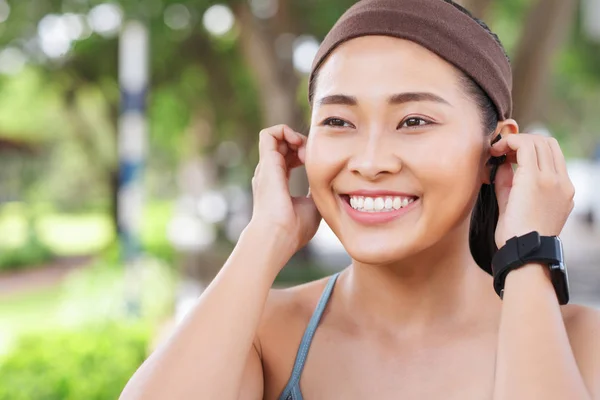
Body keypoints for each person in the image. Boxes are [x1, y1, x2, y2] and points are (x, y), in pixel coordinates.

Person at [120, 0, 600, 399]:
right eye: (338, 122)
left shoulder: (580, 342)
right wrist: (265, 235)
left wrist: (528, 253)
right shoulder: (261, 334)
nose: (370, 162)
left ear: (496, 149)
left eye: (414, 121)